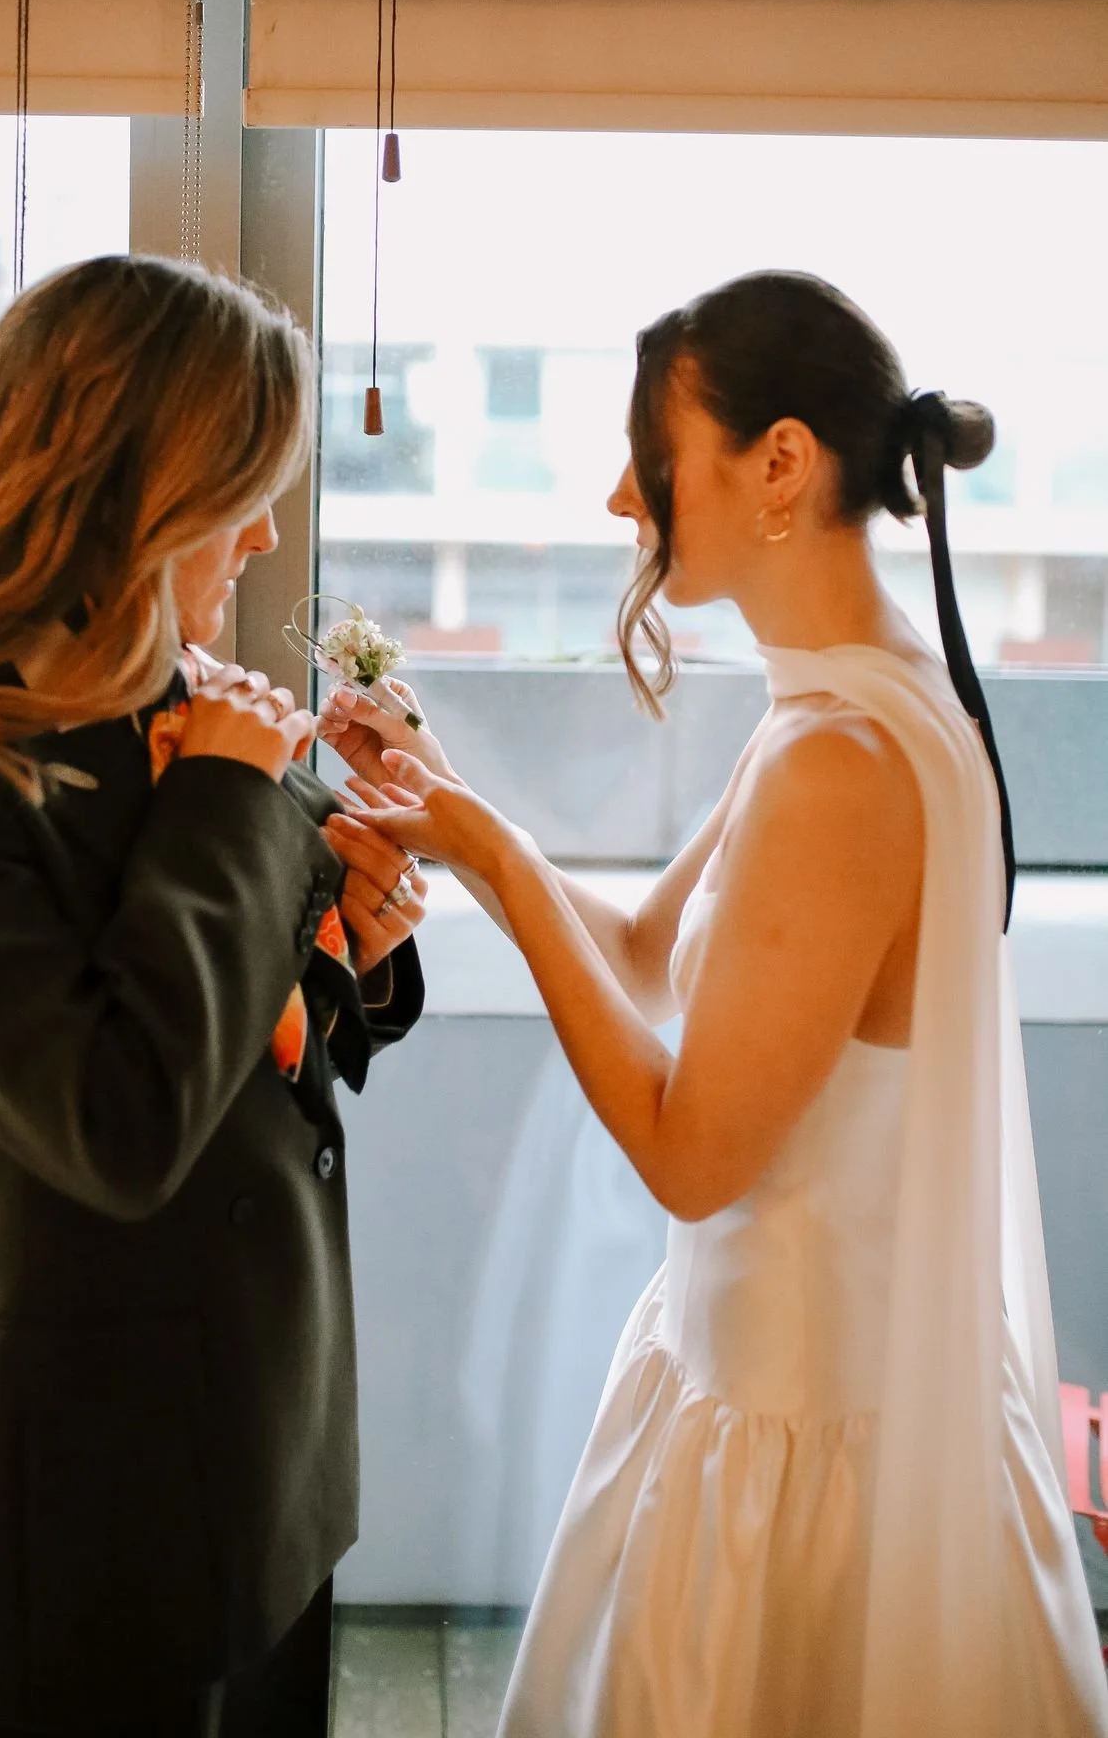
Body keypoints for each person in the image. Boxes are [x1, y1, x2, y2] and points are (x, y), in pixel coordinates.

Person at [319, 271, 1108, 1737]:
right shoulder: (848, 703)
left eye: (653, 450)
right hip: (763, 1391)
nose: (624, 493)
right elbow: (631, 948)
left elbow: (691, 1159)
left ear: (782, 466)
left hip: (812, 1462)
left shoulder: (838, 766)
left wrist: (483, 848)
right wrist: (450, 795)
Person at [0, 255, 427, 1738]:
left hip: (274, 1455)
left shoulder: (182, 702)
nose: (260, 535)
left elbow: (258, 1029)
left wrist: (348, 960)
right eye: (240, 491)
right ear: (126, 483)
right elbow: (115, 1121)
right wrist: (240, 809)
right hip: (86, 1506)